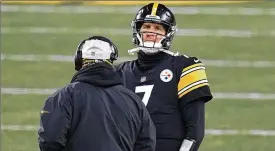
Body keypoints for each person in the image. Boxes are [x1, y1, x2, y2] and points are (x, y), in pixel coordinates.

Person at [115, 2, 213, 151]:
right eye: (146, 27)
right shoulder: (119, 72)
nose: (150, 32)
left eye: (157, 28)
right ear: (137, 30)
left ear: (168, 33)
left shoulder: (185, 67)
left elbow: (195, 130)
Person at [38, 36, 156, 151]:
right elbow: (146, 144)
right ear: (111, 61)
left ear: (79, 60)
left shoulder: (63, 96)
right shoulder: (133, 100)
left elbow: (50, 141)